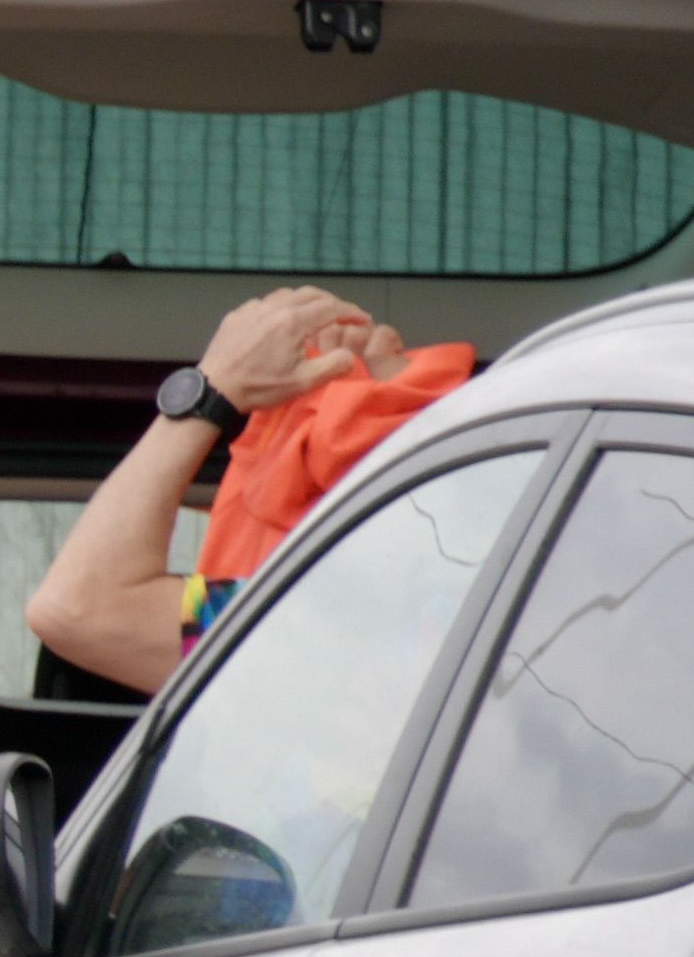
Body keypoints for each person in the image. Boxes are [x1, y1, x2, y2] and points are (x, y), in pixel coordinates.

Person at [25, 284, 414, 695]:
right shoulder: (362, 633)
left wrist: (216, 389)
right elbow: (76, 609)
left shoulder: (341, 635)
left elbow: (79, 608)